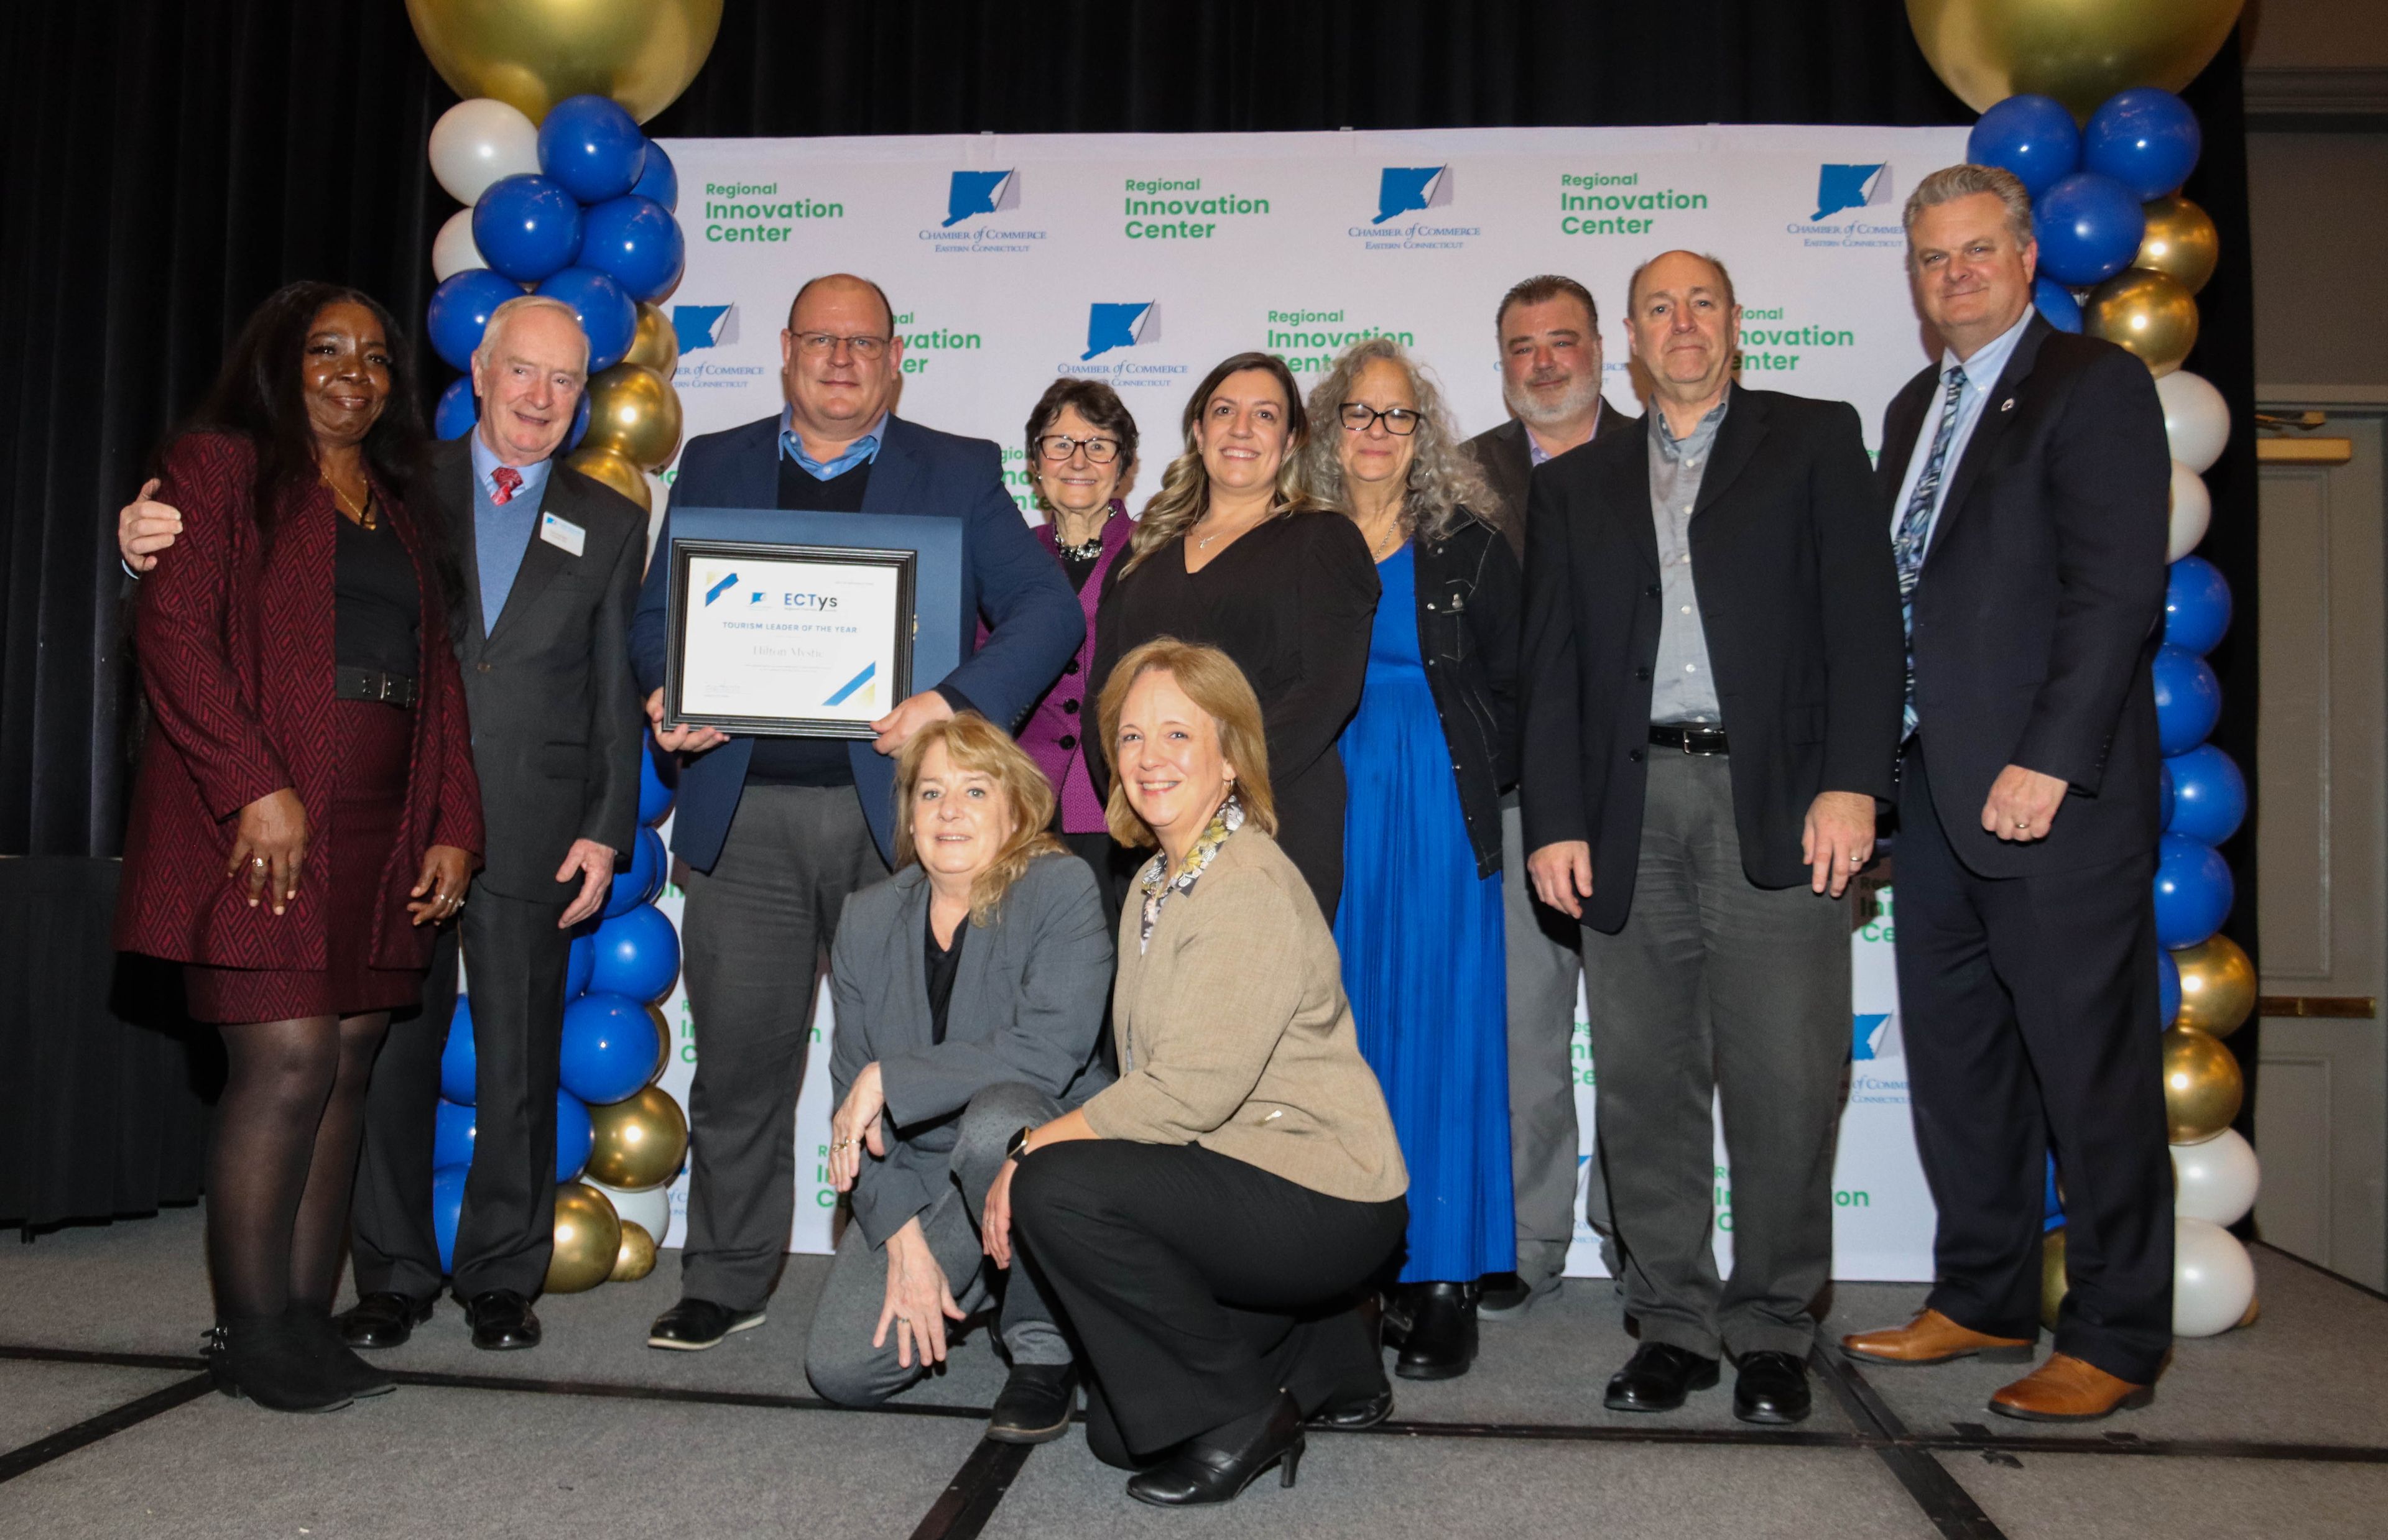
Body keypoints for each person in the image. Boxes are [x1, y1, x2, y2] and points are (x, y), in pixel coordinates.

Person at [116, 296, 648, 1356]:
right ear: (481, 376)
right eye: (523, 373)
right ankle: (392, 1274)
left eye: (564, 382)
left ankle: (503, 1273)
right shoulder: (405, 479)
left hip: (537, 819)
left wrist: (607, 822)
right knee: (379, 1051)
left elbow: (610, 683)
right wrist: (141, 547)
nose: (540, 398)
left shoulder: (612, 516)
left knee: (520, 1056)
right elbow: (235, 575)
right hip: (396, 806)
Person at [628, 273, 1081, 1352]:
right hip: (744, 822)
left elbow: (1049, 608)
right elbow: (658, 617)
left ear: (895, 359)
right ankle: (729, 1274)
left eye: (863, 342)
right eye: (821, 340)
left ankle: (942, 1269)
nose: (841, 359)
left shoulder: (957, 469)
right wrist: (668, 689)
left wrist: (953, 701)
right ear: (785, 350)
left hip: (906, 836)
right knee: (740, 1062)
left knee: (920, 1065)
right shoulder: (717, 460)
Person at [1520, 251, 1904, 1425]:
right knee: (1644, 1081)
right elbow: (1553, 672)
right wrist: (1558, 822)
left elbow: (1864, 624)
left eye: (1701, 303)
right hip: (1631, 811)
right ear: (1628, 340)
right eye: (1657, 309)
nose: (1680, 325)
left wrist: (1855, 786)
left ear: (1736, 322)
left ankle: (1775, 1328)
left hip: (1779, 802)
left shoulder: (1814, 438)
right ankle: (1673, 1322)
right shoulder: (1577, 484)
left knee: (1789, 1078)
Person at [1840, 165, 2174, 1423]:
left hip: (2054, 796)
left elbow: (2114, 593)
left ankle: (2119, 1328)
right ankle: (1981, 1290)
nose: (1957, 272)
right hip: (1931, 794)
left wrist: (2050, 755)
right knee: (1963, 1064)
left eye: (1979, 249)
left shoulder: (2094, 387)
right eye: (1933, 257)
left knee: (2092, 1072)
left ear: (2029, 258)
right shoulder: (1915, 400)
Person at [113, 282, 483, 1412]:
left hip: (381, 809)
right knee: (286, 1060)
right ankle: (250, 1328)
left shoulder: (398, 500)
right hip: (269, 815)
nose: (353, 373)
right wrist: (253, 788)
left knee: (351, 1062)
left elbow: (440, 676)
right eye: (327, 350)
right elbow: (174, 634)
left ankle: (309, 1325)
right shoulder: (219, 468)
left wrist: (456, 822)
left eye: (375, 357)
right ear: (281, 361)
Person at [985, 640, 1408, 1507]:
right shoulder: (1153, 881)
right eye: (1131, 737)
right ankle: (1329, 1349)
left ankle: (1243, 1418)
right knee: (1114, 1431)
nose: (1149, 758)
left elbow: (1188, 1092)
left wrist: (1029, 1149)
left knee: (1058, 1187)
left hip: (1322, 1193)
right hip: (1245, 1173)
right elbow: (1158, 1079)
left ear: (1230, 757)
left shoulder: (1244, 882)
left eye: (1178, 734)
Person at [1303, 338, 1520, 1380]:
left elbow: (1519, 688)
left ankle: (1442, 1274)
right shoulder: (1291, 541)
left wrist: (1458, 777)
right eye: (1359, 413)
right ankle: (1348, 1265)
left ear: (1423, 432)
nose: (1378, 433)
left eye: (1399, 415)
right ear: (1328, 427)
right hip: (1322, 799)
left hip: (1434, 805)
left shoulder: (1468, 541)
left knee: (1441, 1026)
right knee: (1336, 1030)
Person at [805, 714, 1113, 1444]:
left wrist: (892, 1074)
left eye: (976, 790)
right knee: (842, 1368)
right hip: (918, 1174)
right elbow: (855, 1101)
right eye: (931, 791)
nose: (950, 809)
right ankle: (984, 1272)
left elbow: (1048, 1050)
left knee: (993, 1124)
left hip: (1047, 1138)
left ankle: (1044, 1347)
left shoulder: (1060, 887)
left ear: (1016, 807)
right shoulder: (867, 916)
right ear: (908, 813)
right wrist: (905, 1240)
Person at [1463, 275, 1636, 1319]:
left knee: (1641, 1039)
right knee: (1528, 1036)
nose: (1543, 362)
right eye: (1522, 346)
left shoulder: (1666, 454)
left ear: (1601, 349)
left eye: (1562, 341)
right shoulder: (1467, 475)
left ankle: (1641, 1236)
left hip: (1650, 796)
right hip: (1519, 795)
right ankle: (1529, 1239)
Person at [1090, 352, 1377, 919]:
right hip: (1154, 836)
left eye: (1265, 415)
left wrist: (1213, 791)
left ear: (1292, 439)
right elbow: (1106, 696)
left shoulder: (1323, 540)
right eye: (1224, 411)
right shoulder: (1145, 551)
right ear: (1199, 431)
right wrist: (1141, 792)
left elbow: (1326, 692)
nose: (1242, 428)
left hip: (1274, 825)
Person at [1007, 379, 1140, 913]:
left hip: (1120, 805)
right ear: (1035, 463)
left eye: (1099, 444)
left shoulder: (1159, 553)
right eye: (1060, 443)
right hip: (1020, 806)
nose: (1078, 459)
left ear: (1124, 465)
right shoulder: (1009, 558)